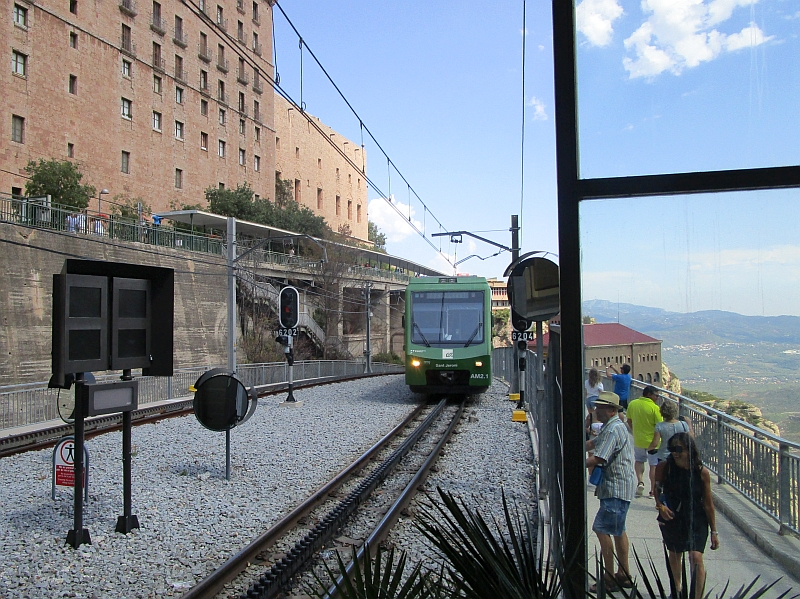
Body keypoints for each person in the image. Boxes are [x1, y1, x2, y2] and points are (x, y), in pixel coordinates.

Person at [655, 433, 719, 599]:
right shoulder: (664, 467)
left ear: (689, 450)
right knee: (675, 554)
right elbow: (657, 489)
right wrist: (660, 506)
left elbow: (708, 503)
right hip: (672, 516)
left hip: (696, 516)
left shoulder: (701, 472)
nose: (675, 453)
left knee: (696, 556)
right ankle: (677, 590)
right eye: (672, 449)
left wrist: (714, 531)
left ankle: (697, 596)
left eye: (679, 449)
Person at [585, 391, 637, 591]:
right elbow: (593, 444)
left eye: (601, 407)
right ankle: (623, 574)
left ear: (612, 410)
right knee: (618, 529)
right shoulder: (612, 427)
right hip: (619, 487)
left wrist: (571, 462)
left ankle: (609, 578)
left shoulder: (613, 430)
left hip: (615, 487)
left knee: (601, 529)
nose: (596, 410)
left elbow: (599, 457)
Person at [626, 385, 663, 498]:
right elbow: (660, 425)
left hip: (638, 440)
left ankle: (640, 482)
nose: (657, 398)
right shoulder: (654, 408)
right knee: (653, 465)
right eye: (656, 395)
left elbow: (629, 420)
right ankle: (652, 490)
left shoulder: (632, 404)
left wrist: (634, 431)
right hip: (653, 442)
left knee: (639, 460)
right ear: (649, 395)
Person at [584, 367, 604, 438]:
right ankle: (596, 429)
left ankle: (590, 428)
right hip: (595, 399)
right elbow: (601, 393)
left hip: (588, 399)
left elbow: (586, 392)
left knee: (591, 415)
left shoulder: (586, 382)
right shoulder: (599, 384)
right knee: (596, 415)